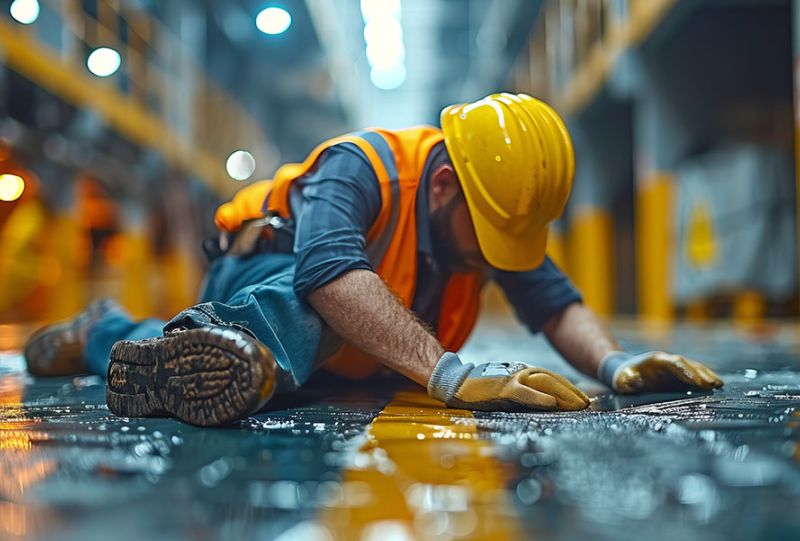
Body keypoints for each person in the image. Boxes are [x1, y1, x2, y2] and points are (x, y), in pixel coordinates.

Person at [24, 93, 723, 427]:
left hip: (327, 346)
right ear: (444, 186)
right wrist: (452, 374)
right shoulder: (362, 167)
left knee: (274, 374)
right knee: (301, 322)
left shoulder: (480, 212)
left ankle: (147, 344)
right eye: (488, 238)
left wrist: (615, 363)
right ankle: (123, 336)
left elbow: (553, 300)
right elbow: (327, 273)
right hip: (259, 278)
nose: (495, 259)